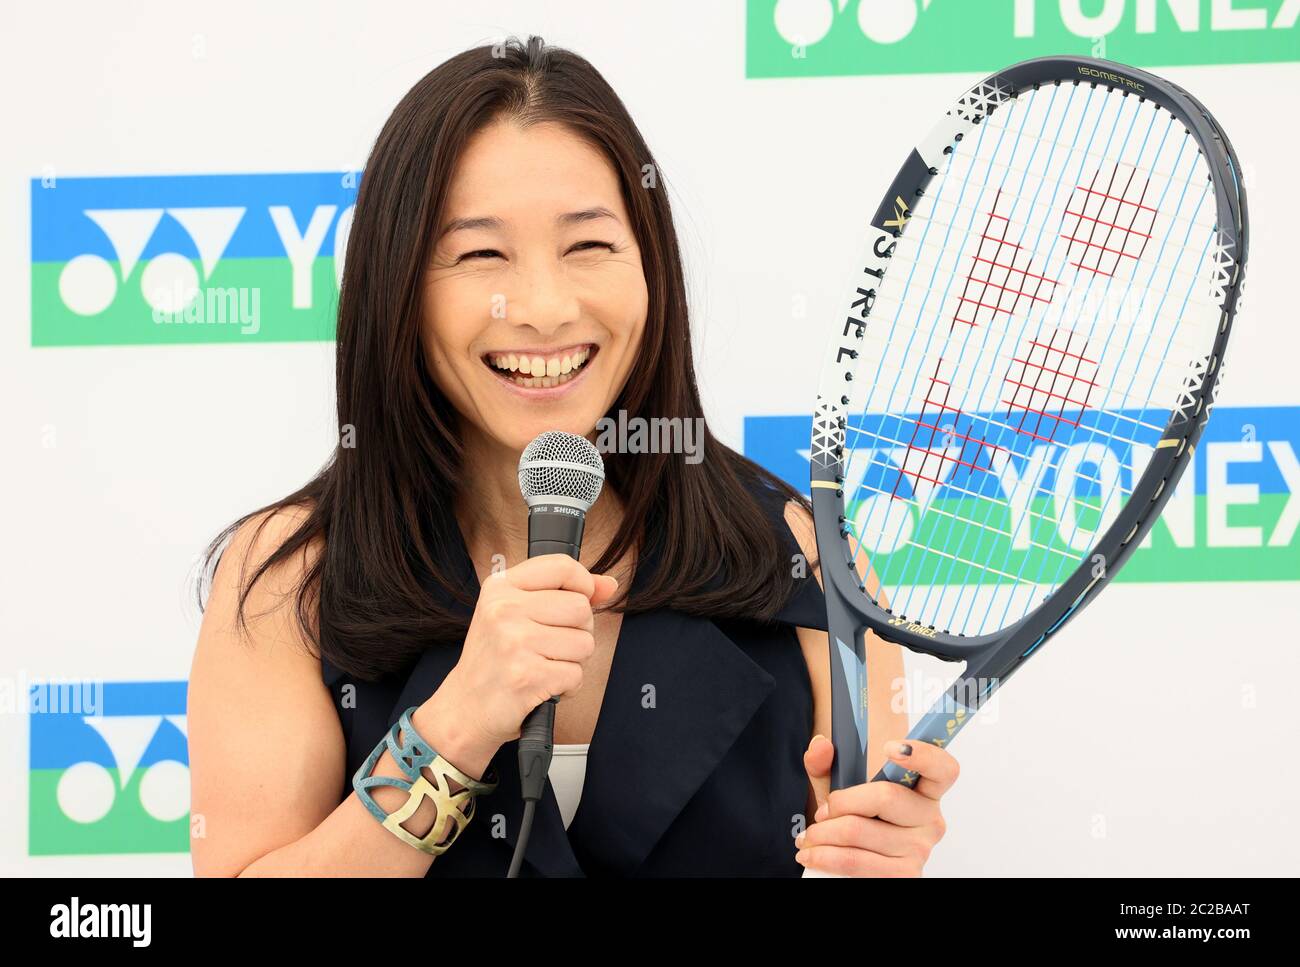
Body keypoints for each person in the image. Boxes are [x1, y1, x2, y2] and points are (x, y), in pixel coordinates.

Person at [187, 34, 957, 877]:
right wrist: (456, 724)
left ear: (649, 264)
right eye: (481, 253)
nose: (546, 308)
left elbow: (862, 838)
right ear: (396, 284)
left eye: (589, 245)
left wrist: (883, 857)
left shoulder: (811, 560)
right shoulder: (288, 578)